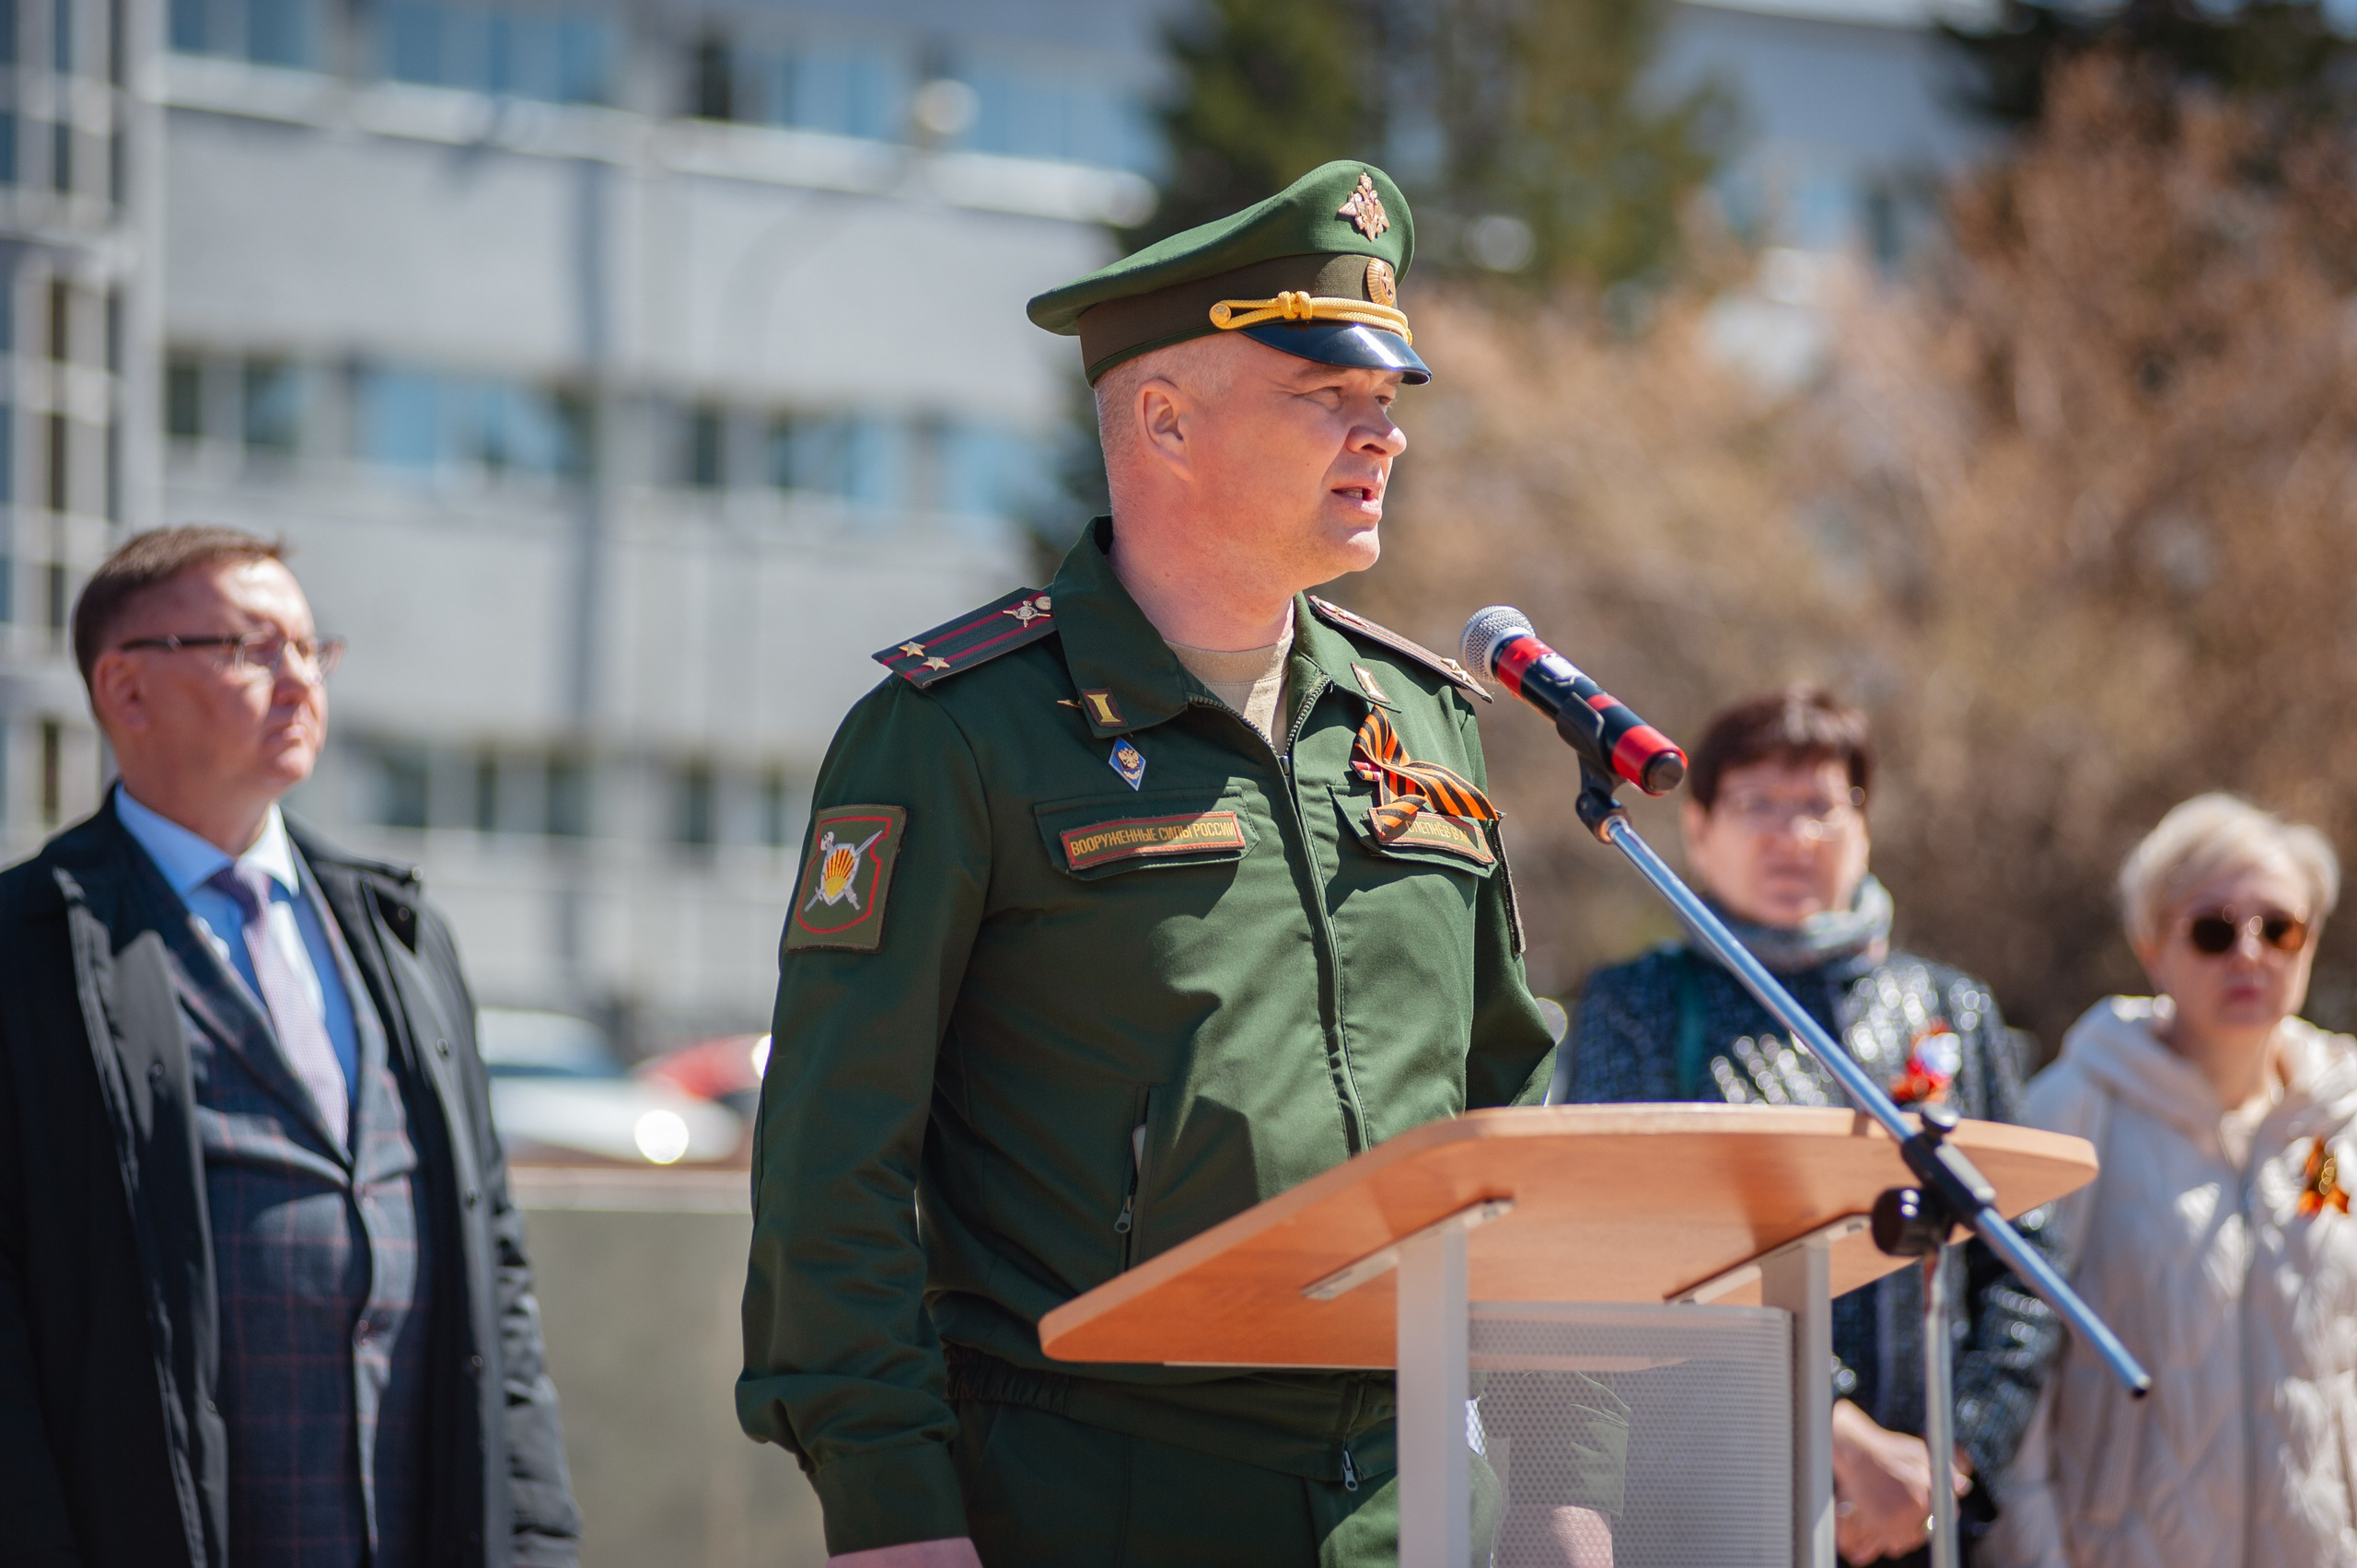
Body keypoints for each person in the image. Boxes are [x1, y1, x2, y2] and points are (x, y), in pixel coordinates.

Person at [737, 162, 1621, 1568]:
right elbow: (832, 1161)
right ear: (1162, 418)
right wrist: (891, 1508)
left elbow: (1507, 1106)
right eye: (1324, 396)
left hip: (1413, 1503)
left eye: (1386, 403)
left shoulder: (1422, 718)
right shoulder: (959, 733)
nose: (1377, 436)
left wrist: (1567, 1467)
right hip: (1101, 1491)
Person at [0, 527, 579, 1568]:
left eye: (314, 649)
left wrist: (535, 1543)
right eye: (253, 647)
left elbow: (497, 1277)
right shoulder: (31, 949)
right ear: (125, 687)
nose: (299, 680)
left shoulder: (397, 931)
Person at [1563, 687, 2059, 1567]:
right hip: (1712, 1509)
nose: (1793, 836)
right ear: (1699, 830)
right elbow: (1631, 1258)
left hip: (1921, 1519)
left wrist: (1946, 1460)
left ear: (1863, 828)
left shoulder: (1948, 1007)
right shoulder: (1638, 1003)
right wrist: (1841, 1437)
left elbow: (2024, 1263)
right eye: (1759, 806)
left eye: (1821, 807)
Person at [1990, 795, 2357, 1568]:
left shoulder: (2341, 1118)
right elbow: (2010, 1347)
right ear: (2152, 946)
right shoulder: (2073, 1104)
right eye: (2214, 929)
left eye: (2280, 928)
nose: (2250, 954)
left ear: (2312, 941)